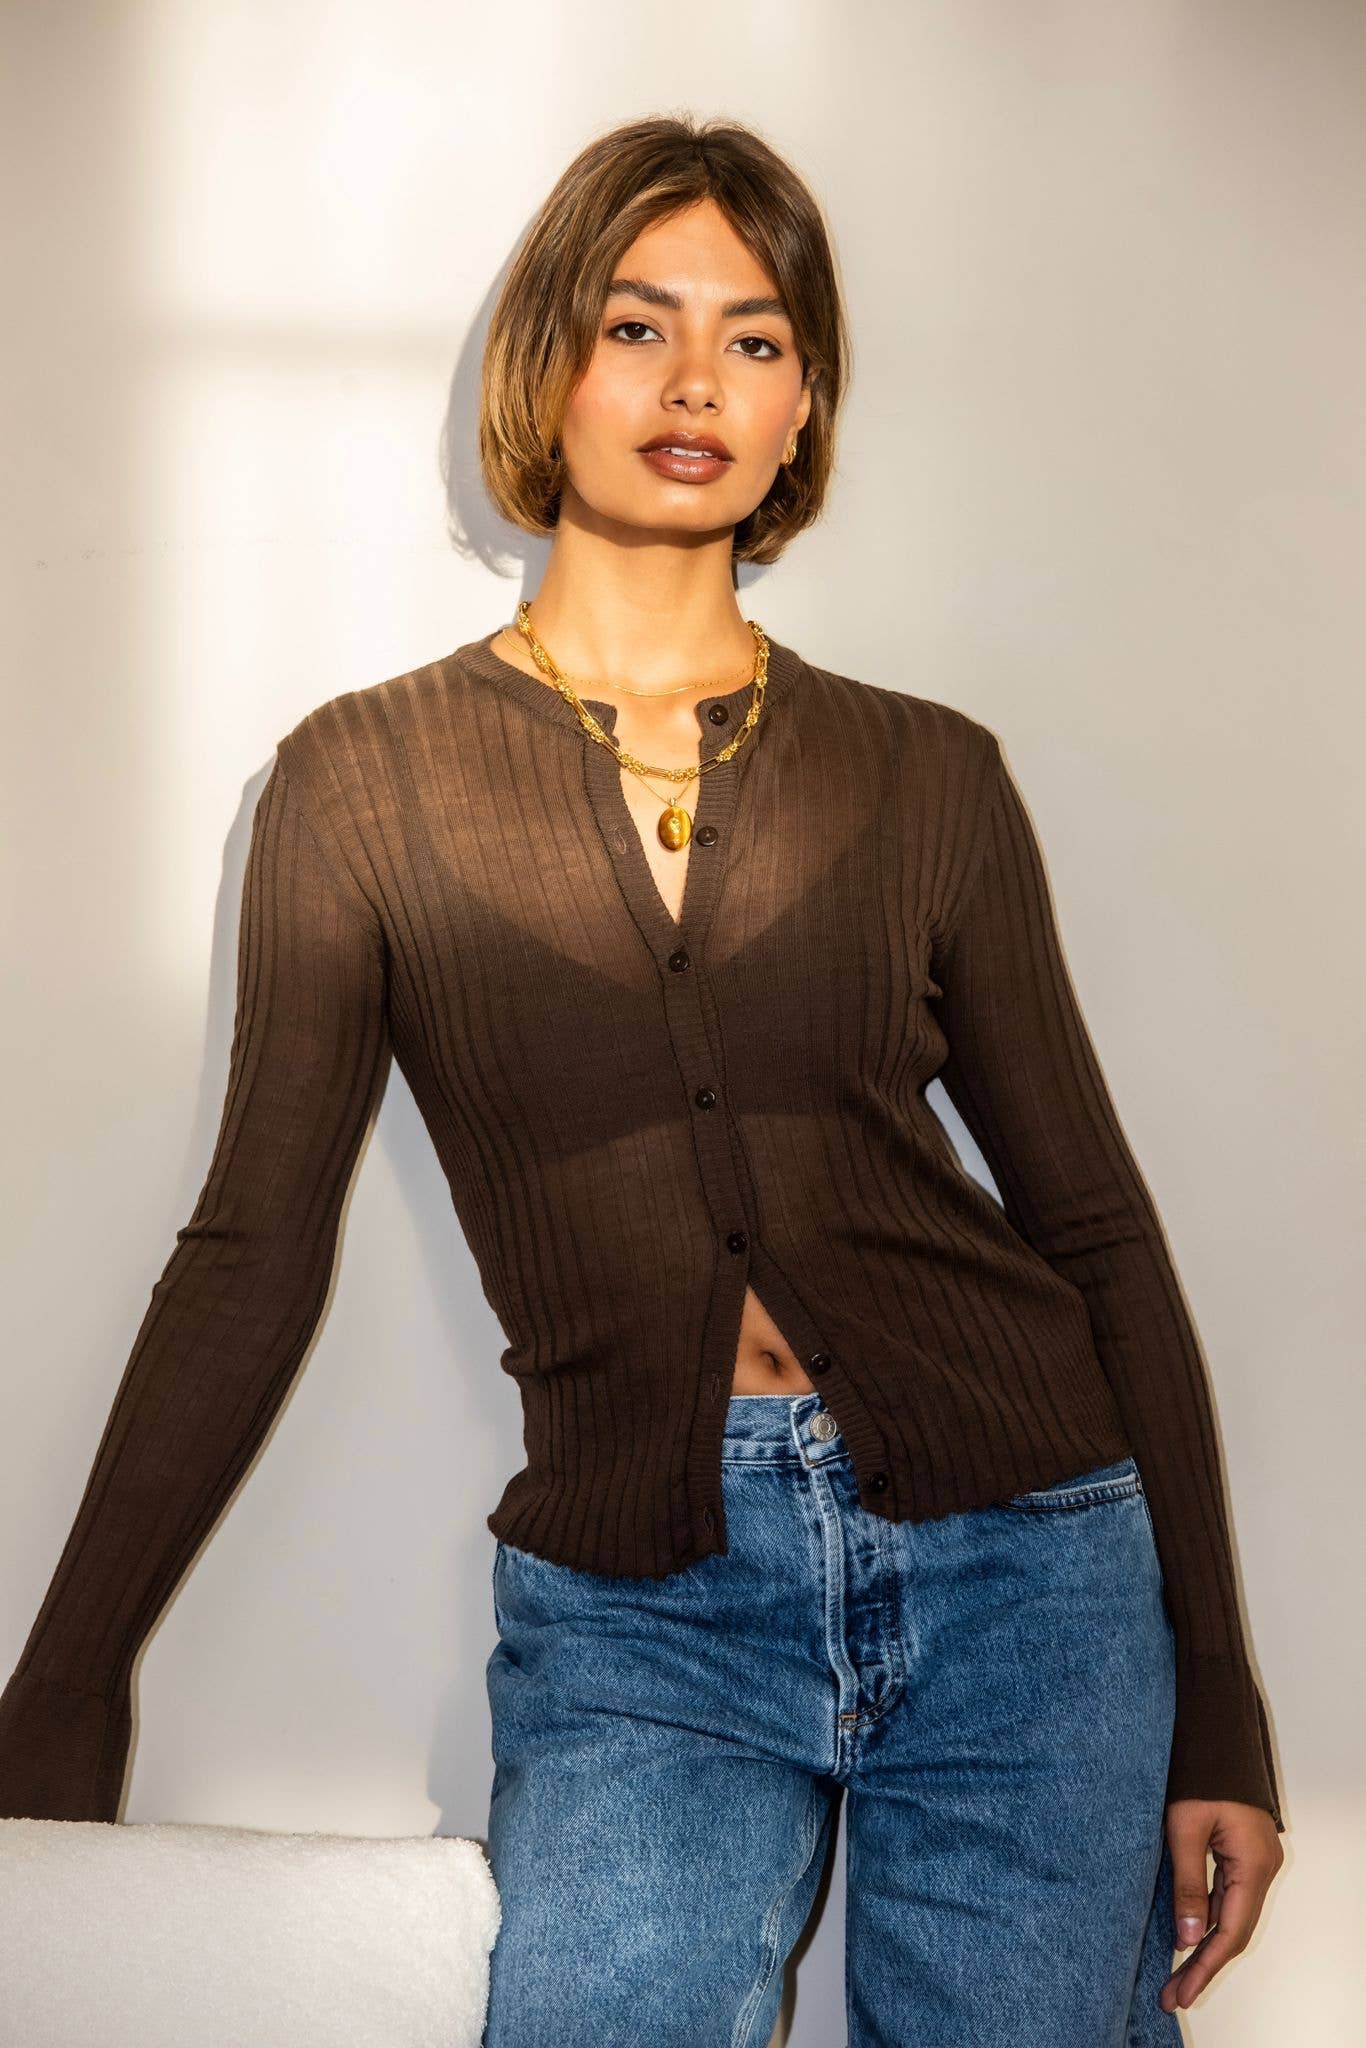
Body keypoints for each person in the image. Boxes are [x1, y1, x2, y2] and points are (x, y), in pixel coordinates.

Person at [0, 113, 1282, 2044]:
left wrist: (1222, 1702)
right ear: (551, 370)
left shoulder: (927, 774)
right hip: (643, 1600)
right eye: (636, 325)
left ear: (801, 407)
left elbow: (1090, 1225)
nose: (696, 382)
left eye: (754, 339)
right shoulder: (366, 783)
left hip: (1030, 1567)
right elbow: (252, 1249)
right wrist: (66, 1685)